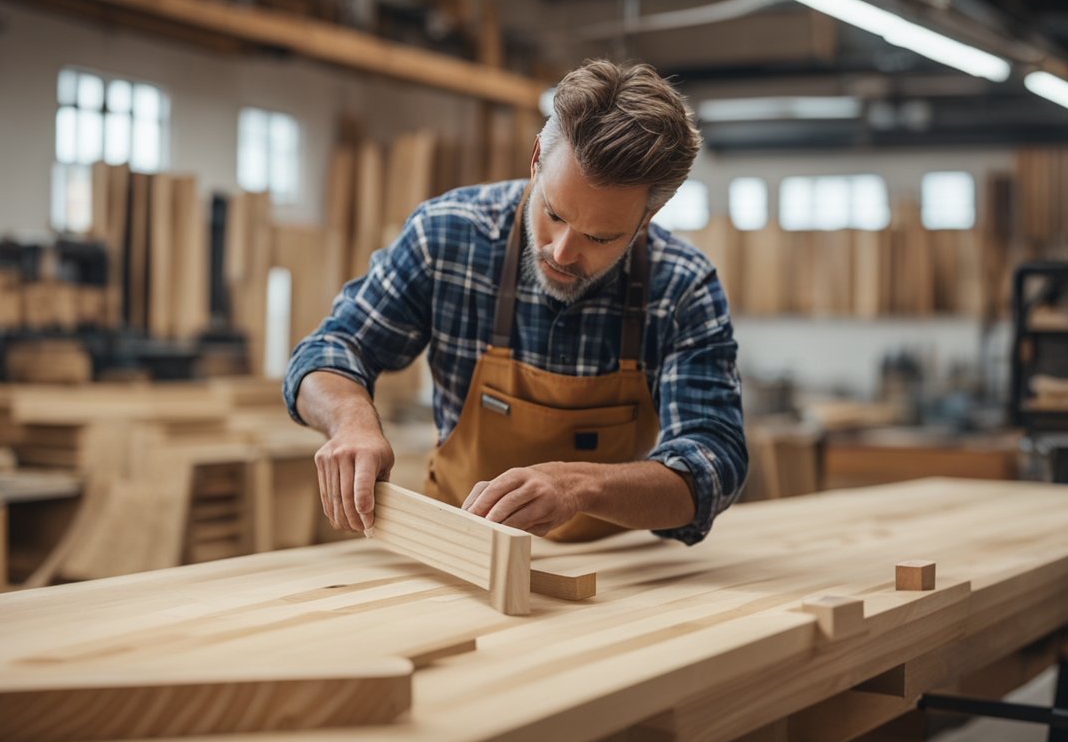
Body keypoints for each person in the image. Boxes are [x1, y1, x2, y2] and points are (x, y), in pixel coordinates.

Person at [283, 58, 747, 546]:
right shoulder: (448, 237)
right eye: (554, 212)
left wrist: (582, 486)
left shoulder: (682, 287)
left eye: (600, 236)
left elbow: (713, 461)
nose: (563, 252)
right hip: (459, 555)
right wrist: (351, 422)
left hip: (613, 576)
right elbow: (330, 350)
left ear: (648, 217)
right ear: (535, 161)